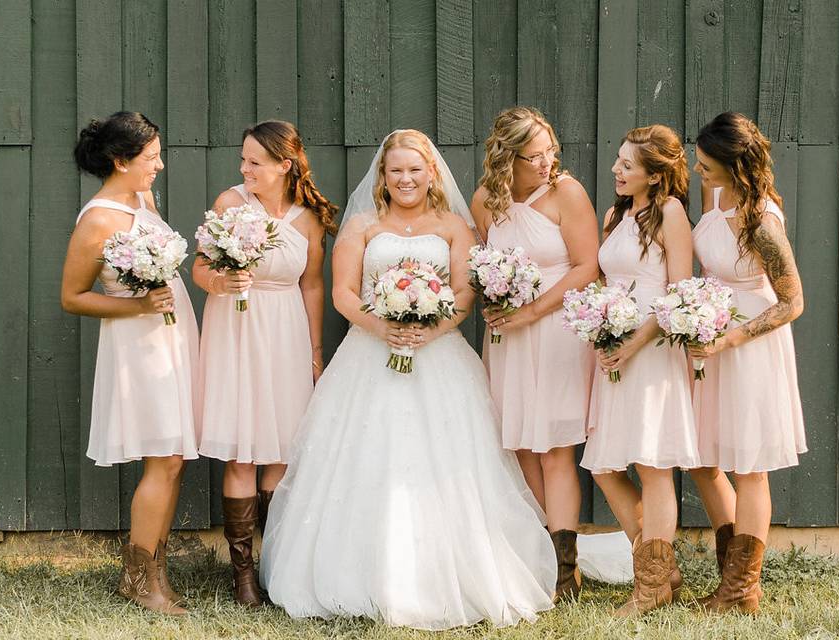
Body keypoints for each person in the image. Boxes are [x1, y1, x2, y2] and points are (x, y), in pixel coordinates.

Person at [258, 130, 556, 629]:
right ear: (383, 176)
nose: (405, 179)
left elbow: (463, 295)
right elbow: (344, 294)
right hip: (368, 355)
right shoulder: (362, 225)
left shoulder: (456, 227)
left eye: (414, 169)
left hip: (439, 355)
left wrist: (427, 331)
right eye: (396, 170)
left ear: (432, 173)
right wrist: (384, 327)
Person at [194, 120, 337, 606]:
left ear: (285, 165)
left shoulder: (309, 218)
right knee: (241, 449)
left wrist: (315, 351)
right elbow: (199, 266)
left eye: (255, 162)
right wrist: (219, 282)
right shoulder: (230, 204)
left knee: (280, 450)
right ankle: (243, 576)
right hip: (235, 328)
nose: (245, 169)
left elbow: (312, 284)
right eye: (243, 160)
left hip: (286, 331)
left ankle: (276, 566)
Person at [61, 111, 198, 615]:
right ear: (120, 160)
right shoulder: (97, 219)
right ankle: (141, 582)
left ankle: (153, 571)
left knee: (175, 455)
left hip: (172, 334)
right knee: (162, 457)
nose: (159, 165)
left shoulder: (141, 199)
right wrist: (136, 305)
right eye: (151, 157)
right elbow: (73, 297)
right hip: (139, 342)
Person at [471, 106, 600, 600]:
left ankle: (565, 574)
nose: (546, 163)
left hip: (556, 330)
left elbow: (587, 266)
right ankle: (542, 556)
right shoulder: (486, 200)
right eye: (534, 156)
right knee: (521, 444)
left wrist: (532, 311)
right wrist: (495, 295)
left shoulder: (566, 193)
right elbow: (481, 262)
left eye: (551, 152)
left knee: (554, 449)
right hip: (508, 337)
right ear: (507, 158)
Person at [579, 124, 700, 616]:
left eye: (628, 165)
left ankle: (649, 588)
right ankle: (658, 565)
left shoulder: (670, 214)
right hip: (614, 349)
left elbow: (678, 292)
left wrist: (633, 343)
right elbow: (609, 281)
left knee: (652, 467)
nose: (616, 170)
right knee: (606, 465)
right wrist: (600, 329)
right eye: (618, 160)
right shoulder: (614, 214)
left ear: (655, 175)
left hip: (651, 351)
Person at [688, 111, 806, 614]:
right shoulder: (714, 197)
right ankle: (727, 574)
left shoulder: (761, 221)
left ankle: (741, 589)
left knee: (749, 466)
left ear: (734, 167)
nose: (698, 170)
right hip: (710, 334)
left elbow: (792, 302)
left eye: (706, 164)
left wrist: (731, 339)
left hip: (749, 347)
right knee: (701, 458)